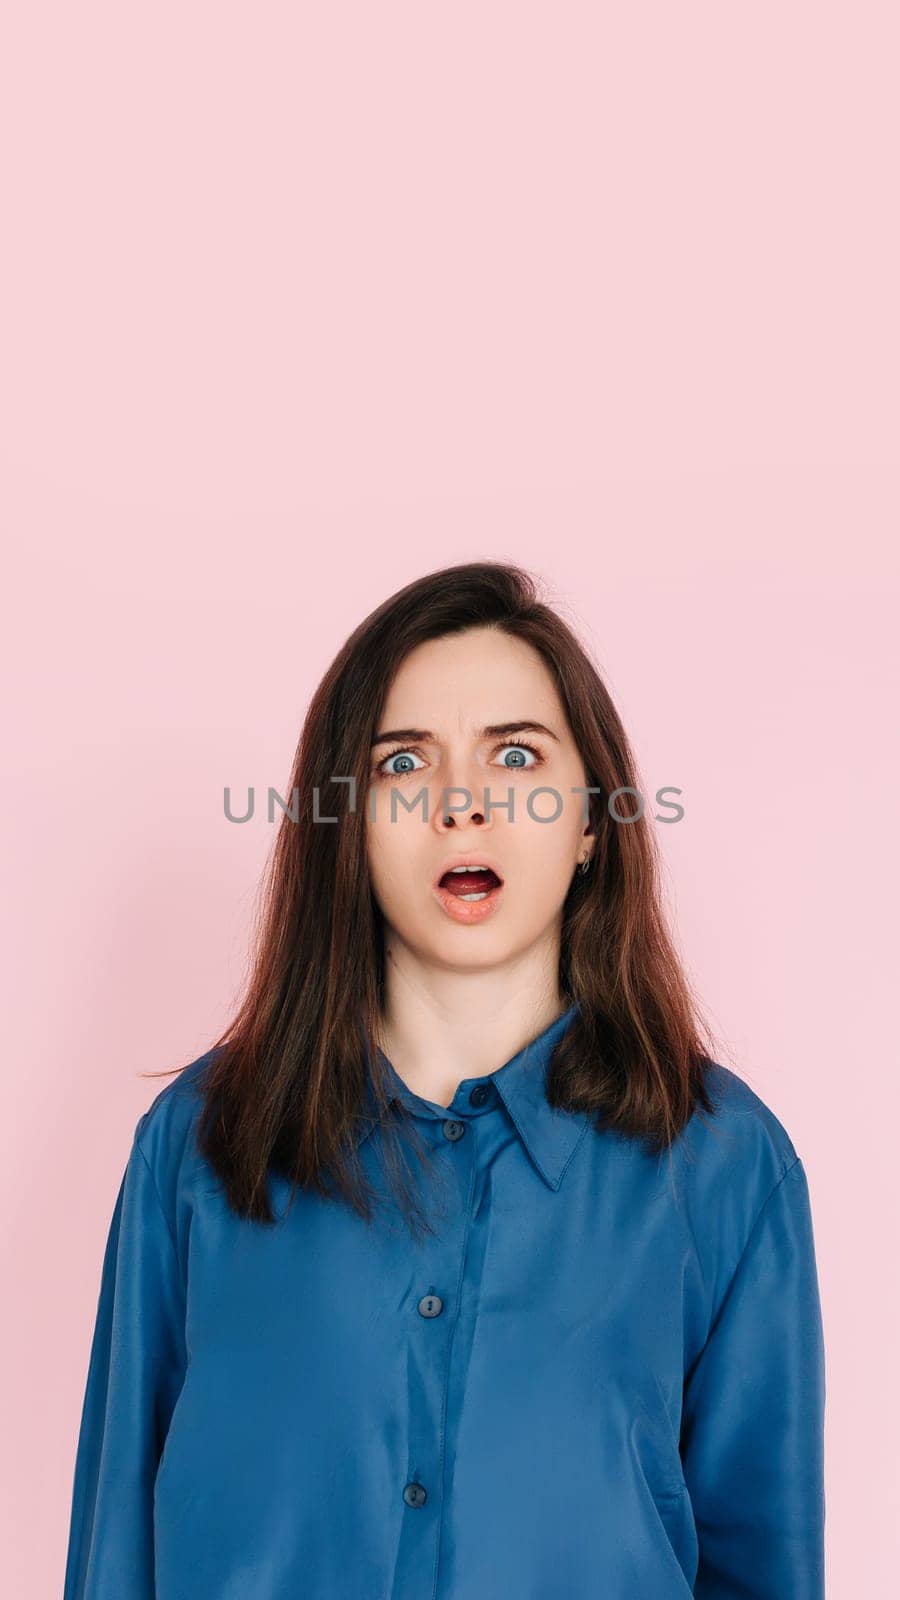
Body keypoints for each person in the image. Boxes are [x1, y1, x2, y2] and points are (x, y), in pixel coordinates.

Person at [63, 560, 826, 1599]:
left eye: (516, 756)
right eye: (403, 766)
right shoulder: (198, 1146)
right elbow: (117, 1552)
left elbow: (762, 1563)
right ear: (346, 827)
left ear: (593, 820)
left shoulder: (725, 1164)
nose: (462, 805)